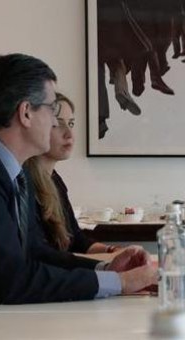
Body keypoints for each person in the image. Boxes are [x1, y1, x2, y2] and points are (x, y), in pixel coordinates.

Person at [0, 54, 157, 332]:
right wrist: (121, 284)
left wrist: (107, 270)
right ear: (26, 112)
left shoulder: (7, 168)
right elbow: (11, 279)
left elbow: (35, 251)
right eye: (52, 109)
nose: (56, 123)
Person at [24, 93, 118, 255]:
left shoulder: (55, 180)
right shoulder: (24, 184)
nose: (70, 134)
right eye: (57, 124)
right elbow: (43, 257)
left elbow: (78, 241)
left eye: (71, 124)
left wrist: (113, 251)